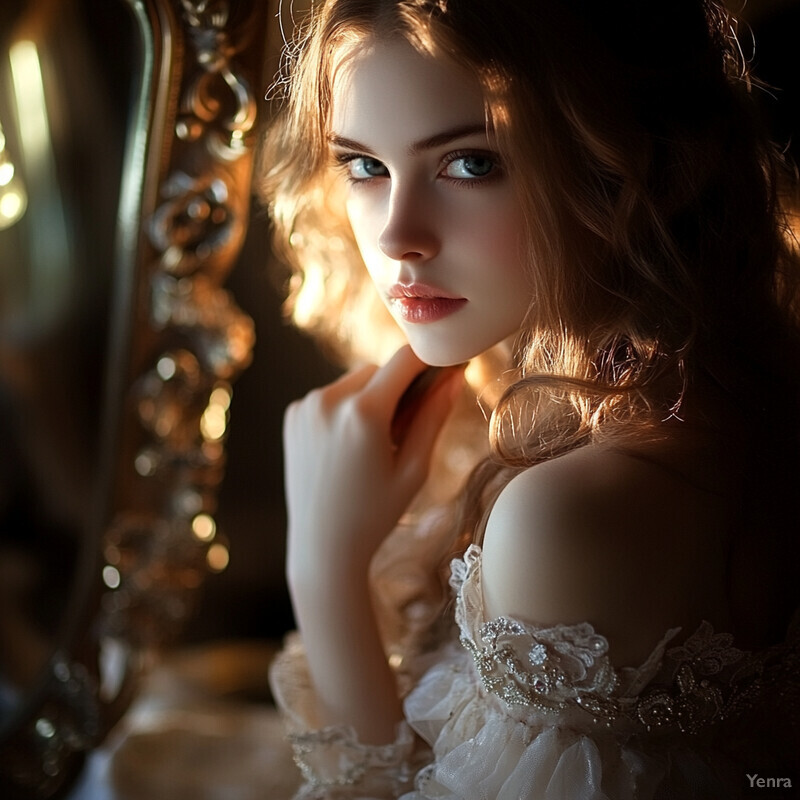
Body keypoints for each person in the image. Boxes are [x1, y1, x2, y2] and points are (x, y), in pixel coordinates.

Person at [259, 1, 800, 797]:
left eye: (471, 162)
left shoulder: (573, 514)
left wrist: (323, 568)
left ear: (620, 163)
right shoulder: (712, 391)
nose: (396, 234)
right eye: (364, 166)